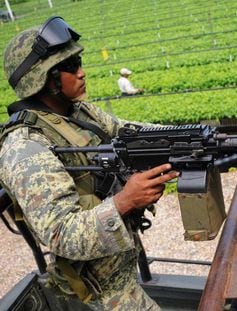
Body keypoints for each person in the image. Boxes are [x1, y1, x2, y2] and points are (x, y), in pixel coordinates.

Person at [0, 16, 178, 310]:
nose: (82, 73)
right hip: (97, 289)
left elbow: (129, 132)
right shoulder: (26, 148)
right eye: (71, 67)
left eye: (78, 62)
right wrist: (125, 201)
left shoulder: (79, 113)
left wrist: (193, 137)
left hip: (117, 266)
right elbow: (60, 233)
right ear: (45, 79)